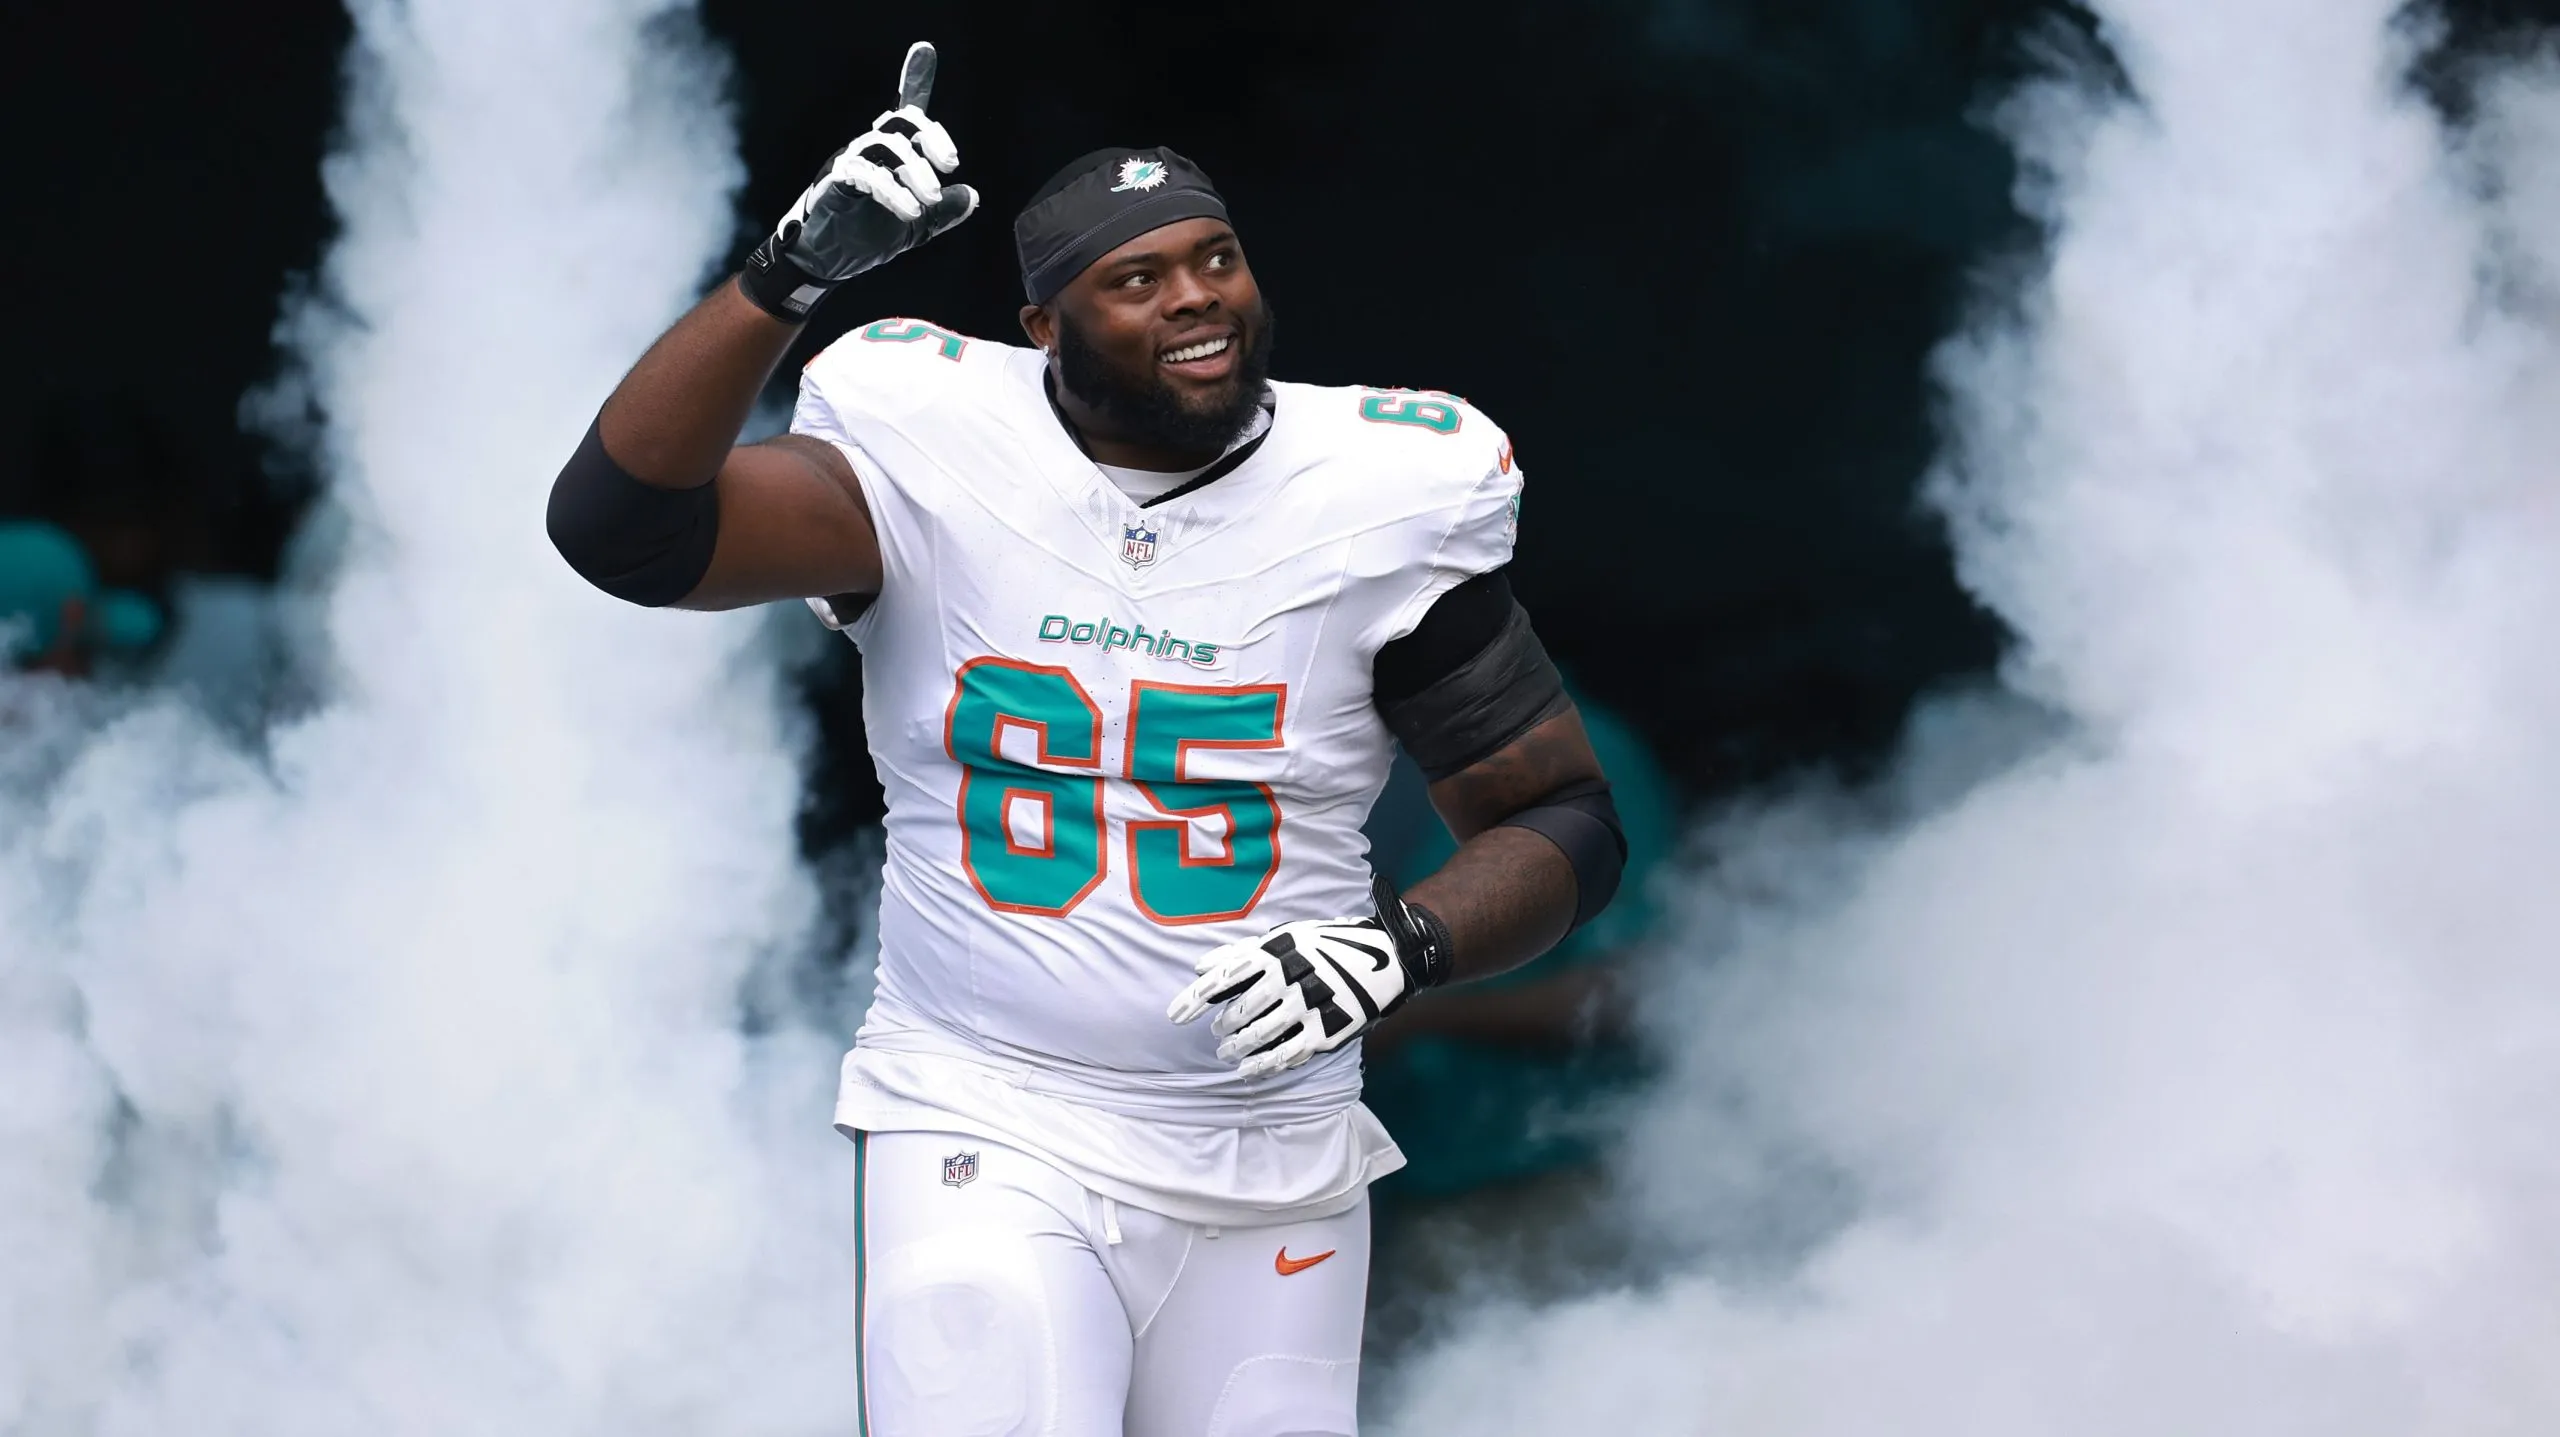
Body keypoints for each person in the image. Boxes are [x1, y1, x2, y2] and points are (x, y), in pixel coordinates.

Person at [547, 43, 1626, 1437]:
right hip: (989, 1117)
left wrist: (1392, 950)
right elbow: (619, 532)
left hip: (1274, 1154)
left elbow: (1564, 822)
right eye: (1137, 276)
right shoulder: (926, 447)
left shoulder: (1379, 496)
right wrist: (785, 278)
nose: (1195, 297)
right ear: (1043, 327)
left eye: (1216, 257)